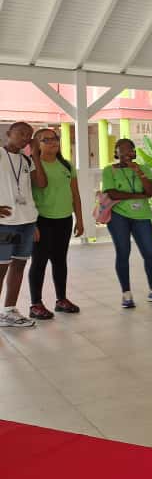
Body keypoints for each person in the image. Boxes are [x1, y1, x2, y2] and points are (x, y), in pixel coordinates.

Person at [27, 128, 84, 319]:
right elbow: (28, 195)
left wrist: (80, 219)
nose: (53, 142)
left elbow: (75, 194)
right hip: (42, 220)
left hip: (64, 219)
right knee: (39, 262)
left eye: (55, 138)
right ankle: (35, 304)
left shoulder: (66, 165)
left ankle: (61, 300)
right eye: (46, 140)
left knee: (60, 261)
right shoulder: (31, 165)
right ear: (37, 144)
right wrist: (32, 224)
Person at [102, 138, 152, 307]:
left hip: (142, 216)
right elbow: (113, 194)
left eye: (130, 149)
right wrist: (137, 195)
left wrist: (139, 172)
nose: (126, 153)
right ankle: (126, 293)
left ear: (134, 152)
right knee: (123, 252)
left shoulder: (144, 169)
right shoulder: (109, 170)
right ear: (116, 153)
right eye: (122, 150)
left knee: (150, 253)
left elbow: (150, 192)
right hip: (118, 216)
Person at [0, 123, 43, 328]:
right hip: (5, 224)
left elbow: (40, 184)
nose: (25, 138)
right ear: (9, 134)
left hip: (26, 222)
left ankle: (9, 311)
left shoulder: (27, 160)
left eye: (29, 135)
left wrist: (35, 155)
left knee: (19, 265)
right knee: (1, 268)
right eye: (21, 133)